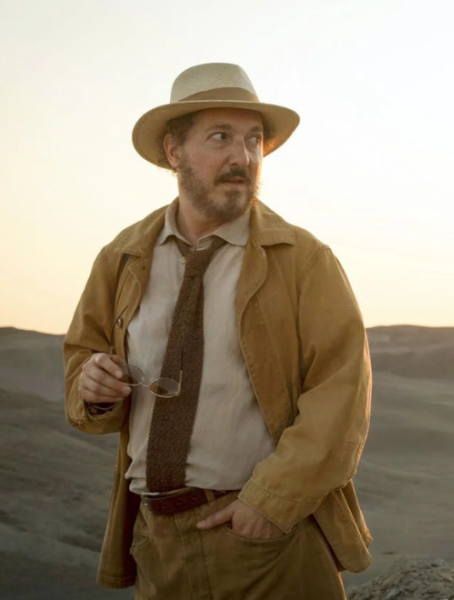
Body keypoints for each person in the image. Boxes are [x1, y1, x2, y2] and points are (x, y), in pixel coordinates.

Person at [63, 63, 372, 600]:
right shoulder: (122, 258)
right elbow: (82, 366)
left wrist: (268, 506)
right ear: (174, 151)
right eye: (221, 138)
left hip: (268, 542)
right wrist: (92, 387)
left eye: (253, 140)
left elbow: (342, 395)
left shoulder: (302, 259)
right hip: (158, 545)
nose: (243, 157)